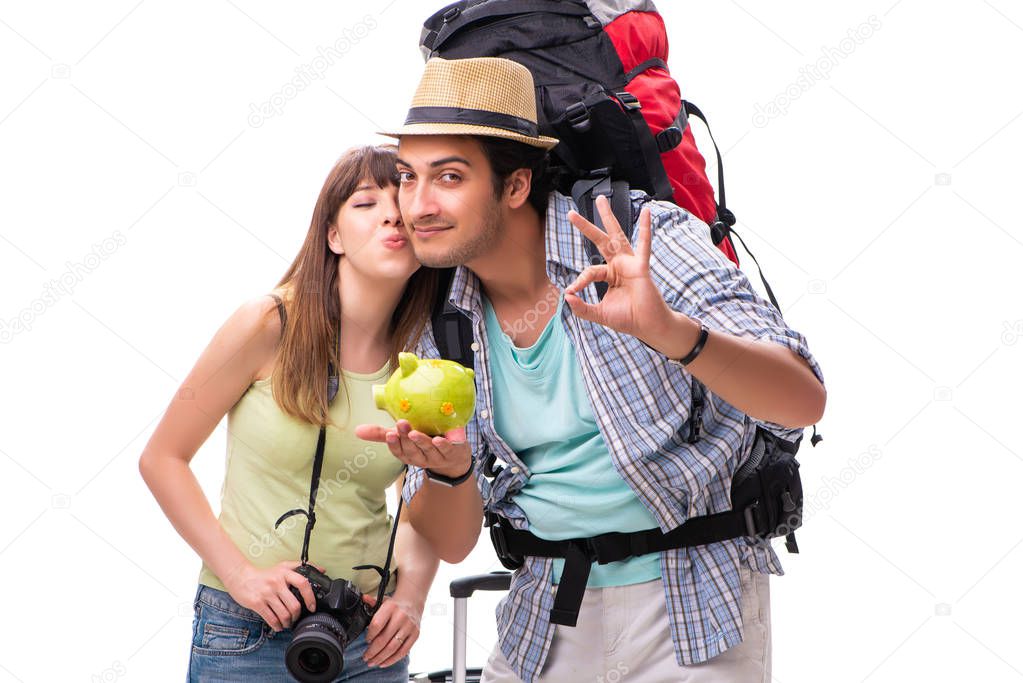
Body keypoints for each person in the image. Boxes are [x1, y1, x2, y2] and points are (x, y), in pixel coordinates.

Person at [357, 57, 827, 682]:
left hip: (692, 608)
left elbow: (803, 400)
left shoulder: (639, 237)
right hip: (542, 617)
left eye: (448, 177)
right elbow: (453, 541)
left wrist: (671, 332)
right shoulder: (440, 317)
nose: (418, 204)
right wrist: (452, 473)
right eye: (407, 178)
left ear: (516, 184)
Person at [139, 144, 445, 682]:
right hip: (247, 630)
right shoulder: (267, 323)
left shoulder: (424, 361)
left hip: (368, 639)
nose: (392, 214)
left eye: (401, 201)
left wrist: (413, 596)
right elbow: (162, 458)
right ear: (333, 236)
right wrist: (241, 577)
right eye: (366, 203)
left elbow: (421, 500)